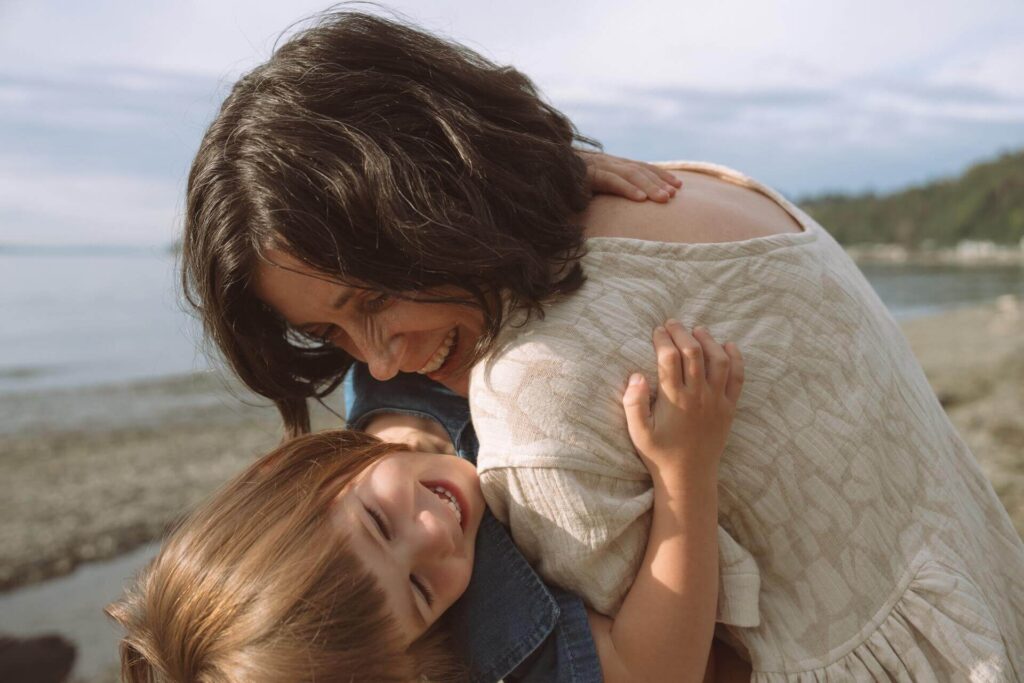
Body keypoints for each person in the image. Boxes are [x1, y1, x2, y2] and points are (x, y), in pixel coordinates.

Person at [181, 10, 1024, 679]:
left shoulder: (533, 397)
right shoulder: (691, 183)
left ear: (424, 196)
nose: (383, 357)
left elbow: (674, 667)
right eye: (329, 332)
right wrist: (529, 173)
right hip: (987, 590)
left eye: (372, 297)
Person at [110, 324, 748, 682]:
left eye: (378, 523)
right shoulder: (492, 645)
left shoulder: (386, 360)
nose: (434, 536)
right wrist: (684, 471)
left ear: (290, 470)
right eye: (420, 591)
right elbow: (654, 673)